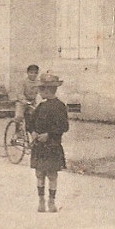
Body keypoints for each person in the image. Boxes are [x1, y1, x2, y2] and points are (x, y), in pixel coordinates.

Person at [29, 73, 69, 213]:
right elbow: (31, 122)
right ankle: (41, 200)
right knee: (39, 173)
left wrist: (49, 134)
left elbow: (64, 126)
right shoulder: (41, 106)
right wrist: (33, 131)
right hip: (39, 146)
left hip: (52, 145)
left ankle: (51, 201)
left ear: (47, 90)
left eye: (41, 90)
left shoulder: (60, 106)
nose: (40, 93)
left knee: (52, 174)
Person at [11, 64, 41, 130]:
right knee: (19, 116)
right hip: (22, 102)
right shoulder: (23, 82)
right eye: (31, 73)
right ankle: (18, 132)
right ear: (27, 73)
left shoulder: (39, 83)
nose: (33, 75)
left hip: (33, 102)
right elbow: (20, 93)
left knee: (36, 118)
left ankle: (32, 132)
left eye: (35, 73)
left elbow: (40, 94)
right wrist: (25, 101)